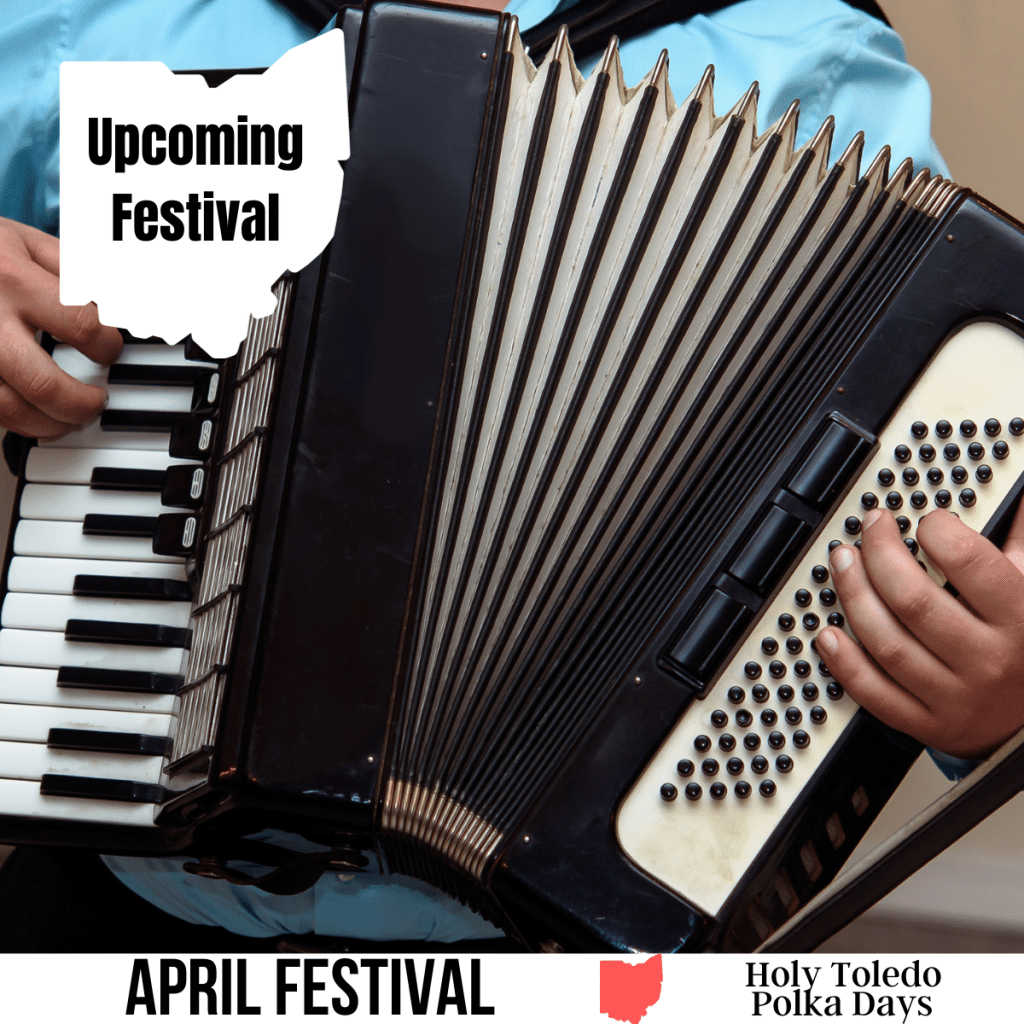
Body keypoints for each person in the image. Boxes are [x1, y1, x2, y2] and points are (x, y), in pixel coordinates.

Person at [0, 0, 1019, 948]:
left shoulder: (799, 47)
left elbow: (931, 495)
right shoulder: (83, 20)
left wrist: (996, 681)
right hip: (128, 913)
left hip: (569, 945)